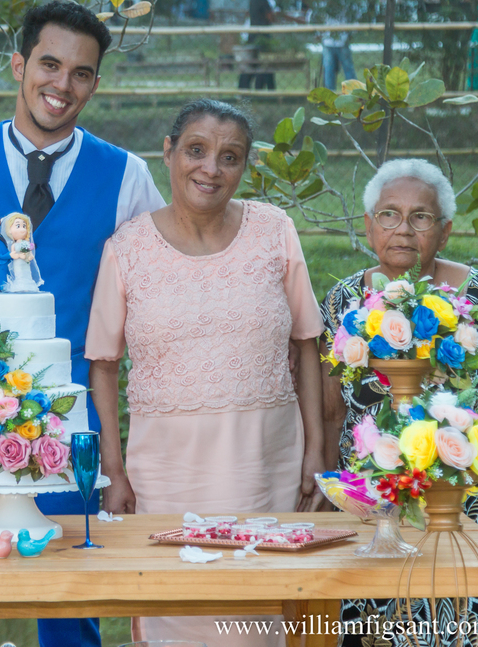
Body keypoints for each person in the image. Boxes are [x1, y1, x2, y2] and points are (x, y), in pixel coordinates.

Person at [0, 0, 167, 647]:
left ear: (96, 83)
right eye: (50, 64)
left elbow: (158, 289)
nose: (62, 86)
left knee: (68, 601)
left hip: (72, 418)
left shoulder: (126, 177)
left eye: (81, 73)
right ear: (18, 64)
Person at [86, 99, 325, 647]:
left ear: (245, 167)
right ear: (168, 153)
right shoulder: (127, 249)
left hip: (266, 464)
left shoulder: (275, 230)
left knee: (260, 613)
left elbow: (307, 345)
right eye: (196, 150)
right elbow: (102, 364)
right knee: (178, 607)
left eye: (229, 156)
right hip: (168, 473)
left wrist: (315, 450)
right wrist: (114, 471)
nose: (210, 169)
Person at [318, 158, 478, 647]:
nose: (403, 229)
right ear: (369, 226)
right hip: (374, 510)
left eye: (421, 217)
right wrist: (328, 495)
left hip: (469, 503)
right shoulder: (343, 301)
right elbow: (332, 411)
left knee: (472, 628)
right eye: (389, 214)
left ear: (445, 230)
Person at [238, 0, 298, 90]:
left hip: (253, 35)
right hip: (262, 36)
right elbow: (270, 17)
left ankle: (249, 88)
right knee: (263, 63)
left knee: (254, 63)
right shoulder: (263, 0)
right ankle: (263, 88)